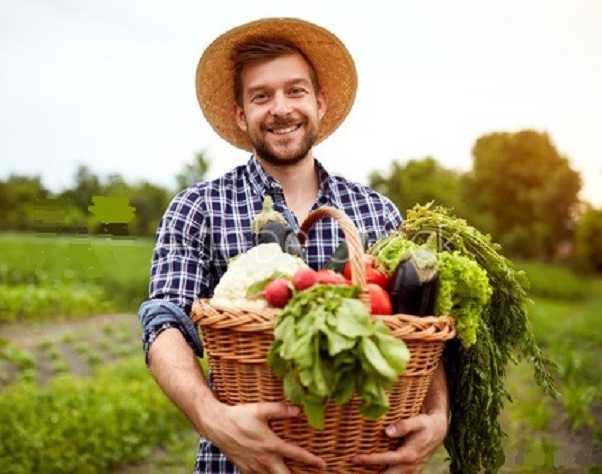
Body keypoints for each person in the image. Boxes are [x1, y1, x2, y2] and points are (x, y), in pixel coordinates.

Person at [139, 17, 449, 474]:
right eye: (261, 96)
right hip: (238, 463)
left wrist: (437, 415)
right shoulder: (197, 207)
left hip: (362, 458)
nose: (281, 108)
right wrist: (213, 419)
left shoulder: (377, 212)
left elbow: (420, 327)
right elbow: (163, 320)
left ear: (320, 104)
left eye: (296, 91)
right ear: (241, 114)